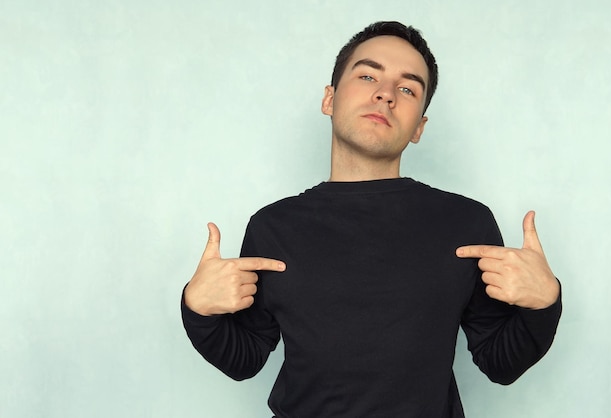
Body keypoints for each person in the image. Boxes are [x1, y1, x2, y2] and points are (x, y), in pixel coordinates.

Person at [181, 21, 562, 417]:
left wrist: (543, 303)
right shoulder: (272, 227)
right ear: (329, 99)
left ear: (419, 127)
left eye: (408, 88)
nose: (385, 94)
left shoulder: (468, 223)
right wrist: (198, 309)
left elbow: (500, 363)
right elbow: (245, 358)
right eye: (367, 75)